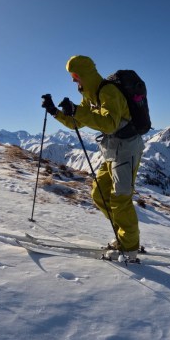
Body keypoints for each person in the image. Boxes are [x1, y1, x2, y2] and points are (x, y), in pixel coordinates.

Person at [41, 55, 145, 261]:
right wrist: (56, 112)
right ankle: (121, 237)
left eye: (75, 75)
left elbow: (110, 124)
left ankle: (130, 248)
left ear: (85, 74)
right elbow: (77, 123)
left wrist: (78, 111)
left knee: (121, 199)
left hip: (127, 150)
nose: (73, 80)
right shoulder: (91, 95)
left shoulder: (108, 92)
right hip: (112, 151)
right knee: (99, 194)